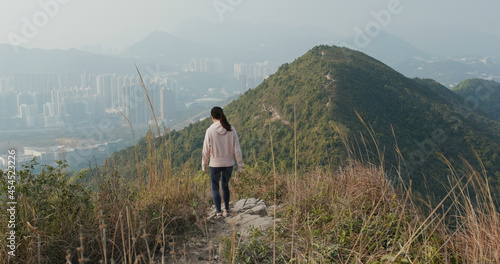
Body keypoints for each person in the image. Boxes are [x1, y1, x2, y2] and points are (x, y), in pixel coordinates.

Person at [202, 106, 243, 218]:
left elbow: (206, 150)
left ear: (212, 117)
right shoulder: (231, 129)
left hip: (214, 164)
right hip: (228, 164)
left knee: (215, 187)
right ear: (222, 115)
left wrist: (204, 165)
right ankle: (226, 210)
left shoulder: (210, 130)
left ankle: (218, 212)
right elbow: (237, 150)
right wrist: (240, 166)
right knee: (225, 186)